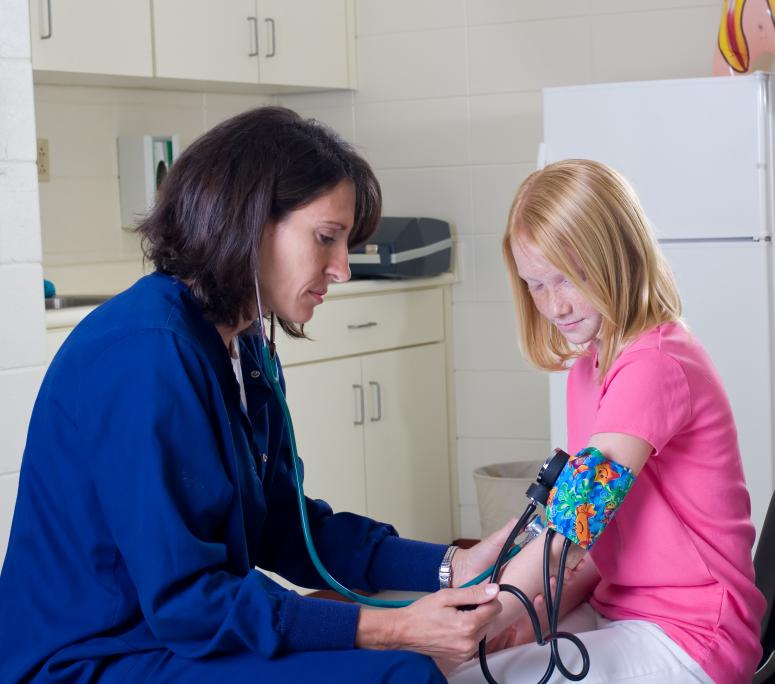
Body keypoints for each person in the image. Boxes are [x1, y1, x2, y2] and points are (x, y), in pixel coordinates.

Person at [0, 107, 509, 683]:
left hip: (168, 636)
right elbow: (189, 602)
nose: (342, 269)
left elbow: (285, 530)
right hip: (92, 658)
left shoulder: (243, 346)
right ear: (248, 223)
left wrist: (451, 565)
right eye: (326, 239)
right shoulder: (145, 357)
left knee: (397, 661)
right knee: (398, 674)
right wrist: (389, 627)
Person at [449, 159, 766, 683]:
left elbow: (577, 515)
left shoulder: (655, 363)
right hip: (624, 608)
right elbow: (599, 531)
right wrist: (532, 616)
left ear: (618, 256)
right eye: (535, 285)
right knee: (476, 663)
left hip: (693, 635)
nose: (553, 305)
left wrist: (494, 610)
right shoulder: (590, 368)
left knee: (467, 674)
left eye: (567, 279)